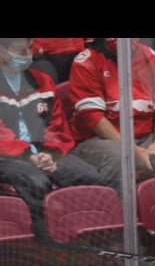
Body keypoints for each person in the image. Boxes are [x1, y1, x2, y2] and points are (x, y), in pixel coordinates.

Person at [68, 38, 155, 192]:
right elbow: (93, 118)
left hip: (145, 139)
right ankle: (119, 213)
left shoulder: (151, 57)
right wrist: (133, 150)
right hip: (100, 142)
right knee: (118, 155)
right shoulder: (86, 62)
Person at [0, 37, 102, 235]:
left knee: (88, 174)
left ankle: (87, 233)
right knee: (36, 181)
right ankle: (44, 238)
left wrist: (50, 153)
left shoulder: (42, 81)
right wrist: (29, 155)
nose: (27, 55)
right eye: (20, 49)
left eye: (30, 48)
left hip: (43, 155)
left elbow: (57, 126)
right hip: (8, 157)